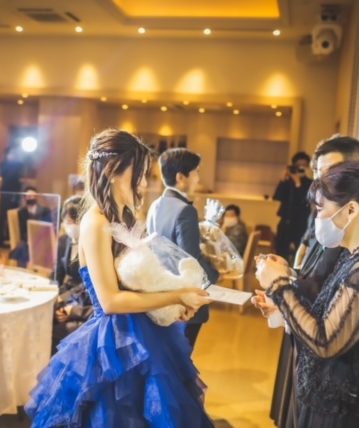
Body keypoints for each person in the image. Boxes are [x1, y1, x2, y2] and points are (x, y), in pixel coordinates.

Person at [25, 129, 214, 427]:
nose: (144, 183)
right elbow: (110, 301)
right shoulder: (96, 222)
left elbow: (143, 284)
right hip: (112, 345)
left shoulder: (124, 219)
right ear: (113, 172)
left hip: (145, 334)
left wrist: (175, 306)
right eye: (139, 174)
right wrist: (177, 296)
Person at [255, 161, 359, 428]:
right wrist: (282, 304)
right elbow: (329, 316)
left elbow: (325, 341)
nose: (317, 218)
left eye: (321, 209)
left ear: (351, 210)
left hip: (348, 415)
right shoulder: (355, 257)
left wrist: (278, 285)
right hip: (336, 404)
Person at [268, 136, 359, 428]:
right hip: (305, 325)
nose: (322, 180)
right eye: (318, 171)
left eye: (331, 171)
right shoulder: (328, 209)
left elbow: (329, 289)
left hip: (330, 363)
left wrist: (282, 288)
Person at [147, 148, 219, 349]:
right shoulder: (186, 210)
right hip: (183, 301)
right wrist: (216, 273)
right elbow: (190, 261)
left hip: (160, 295)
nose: (198, 178)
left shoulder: (155, 205)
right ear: (180, 177)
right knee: (181, 359)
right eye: (196, 172)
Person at [52, 196, 93, 353]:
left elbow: (88, 285)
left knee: (56, 328)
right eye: (68, 222)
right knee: (50, 312)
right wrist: (56, 295)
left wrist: (71, 308)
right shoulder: (65, 241)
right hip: (73, 294)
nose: (71, 226)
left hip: (86, 301)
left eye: (75, 221)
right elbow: (58, 274)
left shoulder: (91, 245)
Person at [273, 151, 312, 262]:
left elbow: (305, 200)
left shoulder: (310, 183)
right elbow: (277, 197)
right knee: (281, 255)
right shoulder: (287, 182)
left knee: (298, 256)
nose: (301, 167)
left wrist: (298, 184)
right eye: (299, 165)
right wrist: (283, 179)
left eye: (304, 165)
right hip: (285, 222)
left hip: (301, 224)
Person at [9, 186, 52, 267]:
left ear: (37, 197)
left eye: (33, 196)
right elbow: (22, 230)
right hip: (27, 240)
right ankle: (24, 268)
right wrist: (29, 239)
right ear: (24, 198)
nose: (31, 198)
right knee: (23, 247)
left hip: (42, 240)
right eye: (29, 196)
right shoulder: (21, 212)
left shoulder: (45, 211)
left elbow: (48, 229)